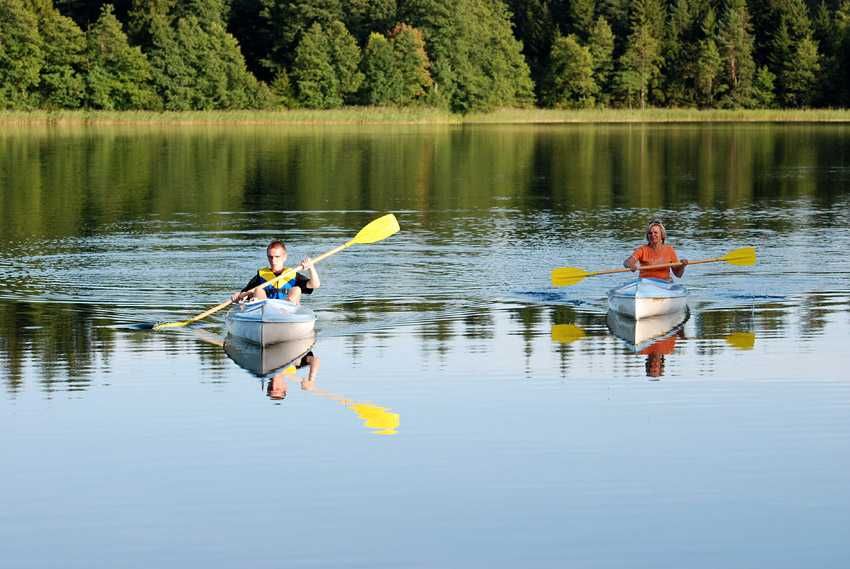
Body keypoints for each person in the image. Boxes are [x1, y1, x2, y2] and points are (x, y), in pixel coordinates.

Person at [231, 240, 320, 304]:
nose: (273, 260)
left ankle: (287, 305)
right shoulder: (261, 276)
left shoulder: (293, 275)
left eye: (277, 257)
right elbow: (244, 294)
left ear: (285, 257)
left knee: (296, 289)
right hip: (264, 311)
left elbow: (315, 285)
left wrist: (311, 268)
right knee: (258, 290)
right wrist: (238, 296)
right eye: (270, 257)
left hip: (287, 311)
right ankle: (263, 308)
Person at [624, 219, 688, 281]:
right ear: (647, 236)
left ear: (662, 235)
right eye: (650, 233)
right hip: (645, 283)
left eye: (655, 232)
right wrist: (631, 265)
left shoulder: (669, 250)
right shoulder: (642, 250)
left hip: (664, 283)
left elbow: (678, 275)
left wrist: (682, 266)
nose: (652, 235)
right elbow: (627, 262)